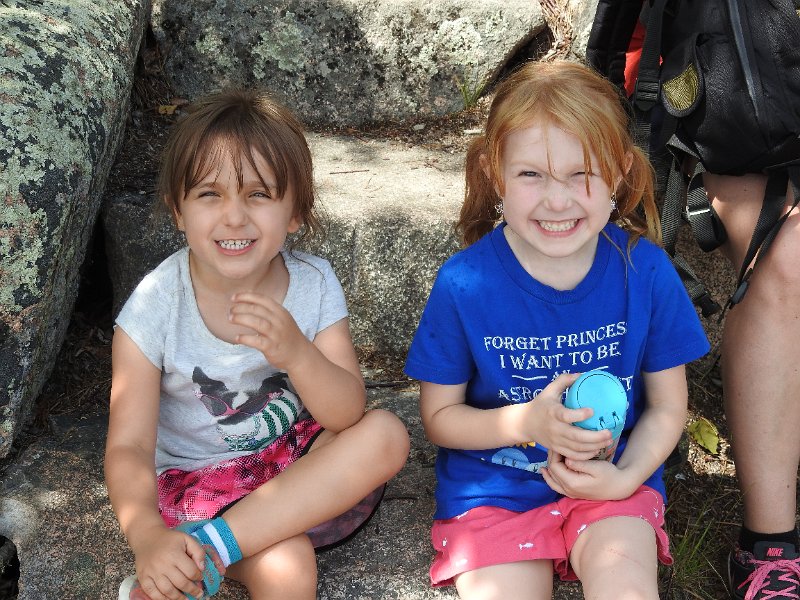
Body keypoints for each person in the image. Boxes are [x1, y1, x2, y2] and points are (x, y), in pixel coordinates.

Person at [404, 59, 710, 599]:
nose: (558, 199)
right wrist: (526, 422)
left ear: (618, 173)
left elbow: (667, 408)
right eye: (531, 175)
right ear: (495, 175)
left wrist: (624, 478)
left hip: (609, 483)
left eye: (581, 173)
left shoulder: (645, 271)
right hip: (494, 494)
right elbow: (440, 419)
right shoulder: (464, 283)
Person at [104, 89, 410, 600]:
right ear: (177, 210)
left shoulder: (313, 283)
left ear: (295, 214)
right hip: (200, 484)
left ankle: (206, 552)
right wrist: (147, 536)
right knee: (288, 567)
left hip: (296, 469)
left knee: (386, 433)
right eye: (209, 194)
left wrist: (297, 354)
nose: (234, 217)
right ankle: (203, 546)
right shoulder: (154, 306)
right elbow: (129, 446)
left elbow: (345, 413)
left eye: (259, 194)